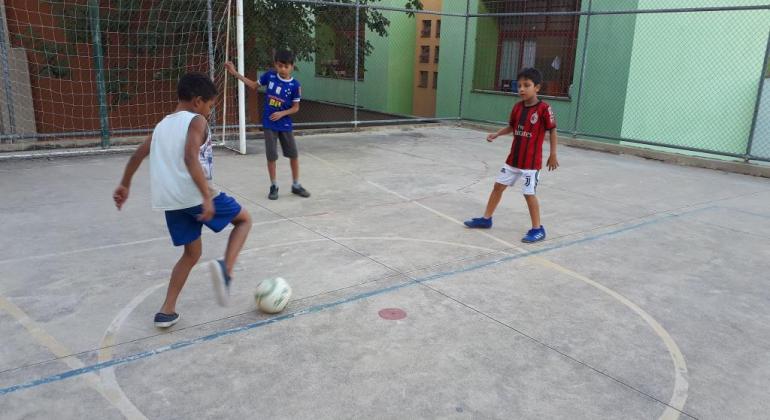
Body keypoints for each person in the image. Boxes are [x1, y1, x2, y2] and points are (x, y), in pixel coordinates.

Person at [113, 72, 252, 328]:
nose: (210, 112)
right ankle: (226, 270)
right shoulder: (197, 120)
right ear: (198, 101)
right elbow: (190, 157)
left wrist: (125, 184)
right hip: (193, 193)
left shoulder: (162, 124)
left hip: (170, 200)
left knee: (191, 253)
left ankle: (167, 310)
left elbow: (137, 155)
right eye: (210, 106)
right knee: (244, 220)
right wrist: (205, 196)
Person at [464, 68, 559, 243]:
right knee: (497, 187)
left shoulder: (545, 109)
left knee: (528, 194)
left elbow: (552, 131)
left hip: (531, 163)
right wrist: (497, 134)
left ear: (537, 87)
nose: (522, 89)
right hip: (513, 160)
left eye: (527, 85)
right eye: (519, 85)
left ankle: (538, 229)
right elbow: (512, 127)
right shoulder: (517, 108)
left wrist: (553, 154)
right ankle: (486, 219)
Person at [225, 50, 310, 200]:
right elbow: (253, 85)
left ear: (292, 67)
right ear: (275, 65)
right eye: (279, 65)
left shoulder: (295, 86)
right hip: (269, 124)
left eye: (286, 66)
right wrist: (234, 72)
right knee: (271, 156)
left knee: (293, 155)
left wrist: (282, 114)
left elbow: (296, 108)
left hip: (285, 125)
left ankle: (296, 185)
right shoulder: (269, 76)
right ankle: (273, 186)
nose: (282, 69)